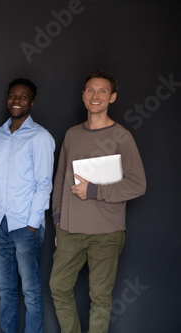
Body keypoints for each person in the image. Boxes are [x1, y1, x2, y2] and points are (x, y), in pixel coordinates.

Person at [49, 70, 147, 333]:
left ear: (112, 97)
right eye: (90, 90)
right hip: (69, 230)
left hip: (107, 232)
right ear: (83, 96)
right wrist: (58, 220)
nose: (95, 96)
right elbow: (60, 180)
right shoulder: (71, 134)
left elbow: (138, 184)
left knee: (100, 297)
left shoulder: (122, 137)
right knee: (58, 286)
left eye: (102, 91)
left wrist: (94, 191)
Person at [0, 78, 55, 333]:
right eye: (13, 95)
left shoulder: (41, 137)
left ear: (32, 102)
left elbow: (44, 184)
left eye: (23, 97)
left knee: (31, 291)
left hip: (25, 226)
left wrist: (32, 225)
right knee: (6, 290)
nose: (17, 101)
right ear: (7, 99)